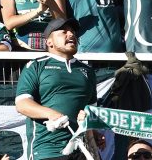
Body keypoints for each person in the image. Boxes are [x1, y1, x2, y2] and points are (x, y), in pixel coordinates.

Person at [15, 18, 98, 160]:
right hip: (47, 151)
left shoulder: (88, 71)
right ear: (49, 42)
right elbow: (22, 104)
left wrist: (93, 135)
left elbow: (91, 112)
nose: (71, 35)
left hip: (82, 152)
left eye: (73, 32)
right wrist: (51, 114)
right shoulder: (35, 66)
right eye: (64, 32)